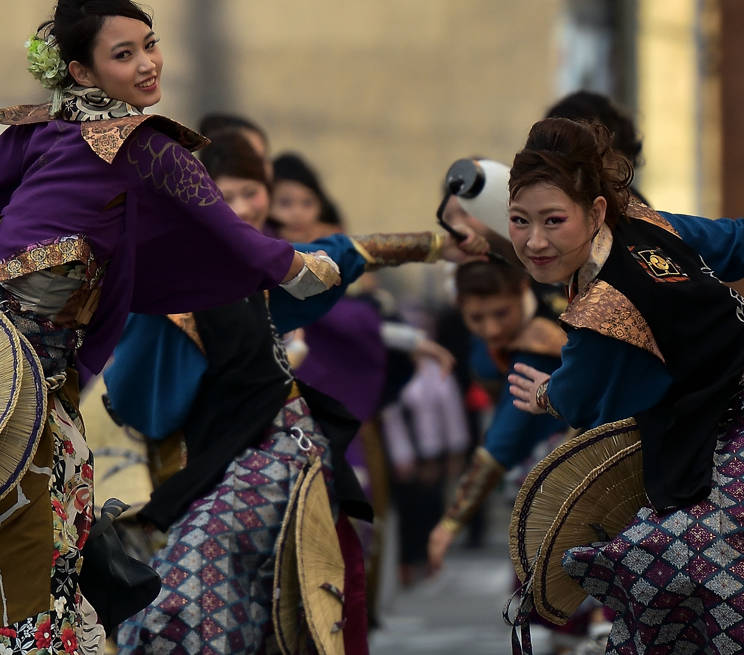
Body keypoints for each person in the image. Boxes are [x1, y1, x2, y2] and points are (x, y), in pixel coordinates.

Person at [0, 0, 357, 655]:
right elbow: (237, 236)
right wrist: (305, 267)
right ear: (82, 71)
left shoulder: (42, 127)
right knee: (35, 557)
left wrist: (2, 242)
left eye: (150, 45)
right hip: (12, 386)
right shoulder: (140, 140)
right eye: (125, 54)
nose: (147, 63)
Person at [105, 131, 487, 655]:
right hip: (194, 470)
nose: (242, 208)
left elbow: (346, 254)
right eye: (226, 195)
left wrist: (440, 245)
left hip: (275, 457)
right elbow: (131, 397)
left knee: (186, 608)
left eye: (253, 191)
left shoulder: (263, 265)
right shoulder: (159, 282)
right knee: (202, 614)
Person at [507, 117, 744, 654]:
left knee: (660, 569)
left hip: (729, 446)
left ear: (594, 212)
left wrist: (546, 394)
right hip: (720, 434)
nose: (534, 241)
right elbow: (735, 241)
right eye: (519, 221)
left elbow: (583, 397)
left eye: (552, 220)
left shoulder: (601, 311)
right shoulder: (648, 224)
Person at [426, 261, 567, 571]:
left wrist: (450, 523)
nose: (491, 328)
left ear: (522, 289)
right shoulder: (492, 337)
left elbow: (505, 436)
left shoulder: (540, 337)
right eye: (477, 317)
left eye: (501, 313)